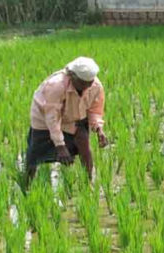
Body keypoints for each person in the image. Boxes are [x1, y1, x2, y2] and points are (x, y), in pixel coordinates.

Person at [25, 57, 108, 186]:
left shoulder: (95, 85)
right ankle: (26, 183)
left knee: (84, 145)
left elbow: (95, 109)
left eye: (89, 83)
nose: (87, 86)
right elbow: (52, 118)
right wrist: (60, 146)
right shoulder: (56, 85)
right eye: (83, 83)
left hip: (74, 116)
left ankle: (89, 181)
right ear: (72, 76)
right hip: (44, 118)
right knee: (36, 153)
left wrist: (99, 129)